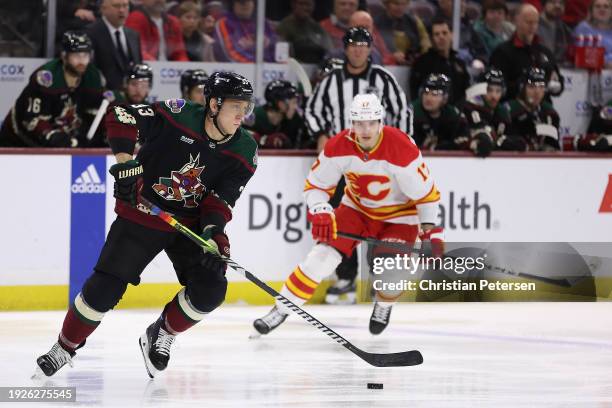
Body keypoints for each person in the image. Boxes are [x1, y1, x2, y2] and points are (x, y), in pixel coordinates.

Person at [33, 72, 258, 378]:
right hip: (144, 212)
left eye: (246, 107)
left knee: (211, 289)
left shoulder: (245, 150)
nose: (242, 115)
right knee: (104, 289)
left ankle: (161, 332)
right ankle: (65, 345)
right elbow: (121, 114)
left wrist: (214, 234)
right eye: (236, 106)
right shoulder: (178, 114)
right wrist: (126, 163)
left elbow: (220, 200)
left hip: (188, 225)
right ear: (214, 104)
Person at [252, 93, 444, 336]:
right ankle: (280, 309)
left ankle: (384, 304)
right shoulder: (338, 146)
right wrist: (321, 210)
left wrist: (429, 232)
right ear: (351, 123)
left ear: (380, 122)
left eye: (371, 123)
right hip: (357, 209)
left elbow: (427, 195)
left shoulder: (401, 147)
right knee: (320, 258)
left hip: (401, 214)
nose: (365, 130)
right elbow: (315, 186)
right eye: (359, 123)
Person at [307, 27, 410, 151]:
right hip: (339, 151)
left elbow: (403, 111)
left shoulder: (383, 78)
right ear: (345, 49)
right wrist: (321, 135)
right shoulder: (331, 80)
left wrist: (400, 140)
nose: (358, 50)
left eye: (363, 45)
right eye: (353, 45)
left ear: (370, 49)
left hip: (376, 152)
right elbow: (312, 110)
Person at [0, 31, 106, 147]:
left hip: (63, 141)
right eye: (76, 56)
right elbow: (32, 120)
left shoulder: (92, 76)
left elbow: (94, 112)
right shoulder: (47, 78)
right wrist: (55, 137)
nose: (81, 61)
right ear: (64, 56)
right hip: (19, 141)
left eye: (85, 56)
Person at [490, 4, 564, 100]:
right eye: (528, 22)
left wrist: (556, 85)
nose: (532, 26)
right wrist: (524, 86)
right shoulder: (503, 52)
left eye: (535, 23)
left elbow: (558, 81)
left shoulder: (545, 52)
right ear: (517, 22)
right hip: (514, 106)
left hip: (541, 107)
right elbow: (497, 85)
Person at [410, 18, 471, 105]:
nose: (441, 37)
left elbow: (467, 91)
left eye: (444, 33)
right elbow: (417, 94)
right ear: (432, 38)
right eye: (437, 34)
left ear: (451, 35)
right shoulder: (422, 63)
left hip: (457, 114)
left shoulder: (459, 63)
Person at [87, 0, 143, 91]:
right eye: (116, 6)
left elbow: (138, 66)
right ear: (103, 8)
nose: (122, 10)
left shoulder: (133, 35)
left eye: (125, 5)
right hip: (102, 98)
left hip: (130, 99)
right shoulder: (90, 33)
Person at [500, 67, 560, 151]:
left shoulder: (549, 113)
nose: (537, 92)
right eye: (532, 87)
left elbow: (554, 145)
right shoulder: (509, 111)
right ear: (522, 88)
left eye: (541, 86)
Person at [410, 73, 470, 150]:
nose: (428, 98)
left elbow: (464, 137)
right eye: (426, 92)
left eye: (434, 94)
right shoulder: (412, 112)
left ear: (445, 98)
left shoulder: (453, 114)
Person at [244, 80, 306, 149]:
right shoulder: (254, 116)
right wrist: (263, 140)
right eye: (294, 102)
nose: (295, 107)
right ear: (281, 104)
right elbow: (236, 134)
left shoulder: (295, 119)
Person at [463, 69, 512, 157]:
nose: (494, 96)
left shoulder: (503, 111)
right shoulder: (469, 107)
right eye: (489, 90)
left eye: (498, 91)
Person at [213, 0, 278, 62]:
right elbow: (229, 54)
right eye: (241, 2)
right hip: (237, 70)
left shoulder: (263, 23)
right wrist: (256, 65)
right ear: (232, 4)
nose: (245, 5)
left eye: (249, 1)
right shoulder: (224, 23)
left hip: (266, 69)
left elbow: (277, 49)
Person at [375, 0, 431, 66]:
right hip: (385, 66)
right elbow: (374, 50)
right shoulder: (376, 23)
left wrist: (419, 58)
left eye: (404, 4)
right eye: (396, 3)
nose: (400, 8)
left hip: (413, 66)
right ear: (386, 4)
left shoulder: (415, 22)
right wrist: (391, 57)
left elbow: (426, 44)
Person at [434, 0, 488, 65]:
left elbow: (481, 51)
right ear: (442, 3)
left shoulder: (467, 25)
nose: (462, 5)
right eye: (455, 2)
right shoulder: (433, 27)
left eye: (463, 1)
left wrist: (480, 61)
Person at [574, 0, 612, 68]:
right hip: (587, 72)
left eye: (606, 6)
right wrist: (605, 62)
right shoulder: (583, 28)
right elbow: (580, 55)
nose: (602, 9)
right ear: (591, 11)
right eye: (597, 6)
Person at [538, 0, 574, 66]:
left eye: (561, 3)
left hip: (560, 69)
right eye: (552, 2)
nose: (558, 6)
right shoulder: (534, 25)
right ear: (544, 4)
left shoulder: (566, 30)